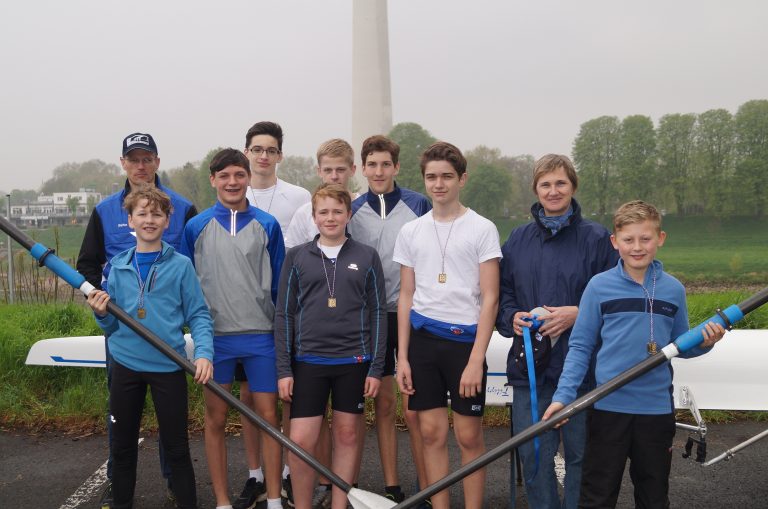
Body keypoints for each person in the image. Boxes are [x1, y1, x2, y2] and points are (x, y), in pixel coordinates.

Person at [542, 200, 726, 508]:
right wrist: (564, 396)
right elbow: (580, 346)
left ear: (660, 239)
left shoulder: (673, 290)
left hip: (655, 411)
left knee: (654, 497)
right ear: (615, 242)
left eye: (645, 238)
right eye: (629, 239)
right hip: (608, 408)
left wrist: (706, 343)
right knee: (597, 496)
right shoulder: (599, 287)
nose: (637, 247)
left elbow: (679, 345)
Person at [76, 132, 197, 507]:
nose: (141, 166)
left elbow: (194, 270)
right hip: (121, 338)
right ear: (123, 163)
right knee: (122, 426)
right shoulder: (104, 211)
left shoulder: (182, 208)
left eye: (147, 159)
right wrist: (102, 301)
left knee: (172, 431)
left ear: (157, 162)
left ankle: (174, 483)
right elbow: (87, 264)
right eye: (134, 159)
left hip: (165, 339)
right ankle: (118, 484)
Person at [495, 154, 618, 509]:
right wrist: (511, 317)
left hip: (582, 369)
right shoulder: (518, 239)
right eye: (545, 184)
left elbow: (616, 295)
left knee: (582, 455)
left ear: (573, 186)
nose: (553, 191)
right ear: (535, 190)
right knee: (534, 454)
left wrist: (579, 313)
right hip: (531, 368)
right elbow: (503, 292)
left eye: (560, 183)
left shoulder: (596, 239)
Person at [395, 141, 501, 509]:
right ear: (424, 180)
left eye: (447, 176)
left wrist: (476, 359)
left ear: (462, 179)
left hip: (464, 346)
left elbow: (490, 297)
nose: (438, 184)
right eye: (431, 177)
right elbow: (406, 296)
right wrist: (403, 357)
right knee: (431, 434)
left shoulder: (482, 228)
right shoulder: (411, 231)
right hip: (423, 344)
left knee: (469, 437)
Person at [181, 148, 285, 509]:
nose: (232, 182)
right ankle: (223, 502)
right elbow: (186, 284)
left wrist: (280, 335)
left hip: (261, 336)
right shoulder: (195, 227)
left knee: (268, 418)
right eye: (224, 176)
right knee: (215, 419)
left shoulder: (268, 225)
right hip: (215, 340)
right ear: (213, 180)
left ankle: (274, 499)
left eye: (239, 175)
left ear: (248, 178)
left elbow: (279, 287)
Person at [276, 183, 387, 509]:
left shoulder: (367, 256)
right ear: (313, 216)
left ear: (348, 215)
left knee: (347, 435)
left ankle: (339, 504)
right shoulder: (297, 256)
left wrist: (376, 368)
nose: (330, 217)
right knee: (300, 441)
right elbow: (284, 313)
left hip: (353, 361)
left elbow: (378, 312)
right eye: (323, 212)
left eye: (337, 211)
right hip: (308, 362)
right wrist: (284, 369)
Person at [347, 134, 432, 503]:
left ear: (396, 167)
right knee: (383, 404)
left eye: (385, 164)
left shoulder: (418, 204)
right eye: (372, 165)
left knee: (415, 410)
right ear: (363, 169)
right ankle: (393, 486)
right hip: (372, 318)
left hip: (412, 315)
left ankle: (428, 487)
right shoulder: (352, 209)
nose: (379, 171)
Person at [284, 138, 359, 507]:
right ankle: (308, 494)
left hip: (351, 348)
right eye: (327, 170)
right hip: (310, 349)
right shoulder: (303, 222)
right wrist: (286, 362)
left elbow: (372, 300)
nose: (334, 176)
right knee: (304, 436)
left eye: (340, 170)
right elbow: (290, 298)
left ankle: (341, 493)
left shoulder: (361, 214)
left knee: (347, 432)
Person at [240, 121, 311, 508]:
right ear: (247, 152)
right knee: (249, 394)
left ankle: (285, 472)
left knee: (287, 391)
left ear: (280, 155)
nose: (263, 156)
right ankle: (255, 475)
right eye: (257, 149)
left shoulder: (299, 197)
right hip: (246, 311)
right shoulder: (236, 191)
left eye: (270, 150)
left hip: (289, 308)